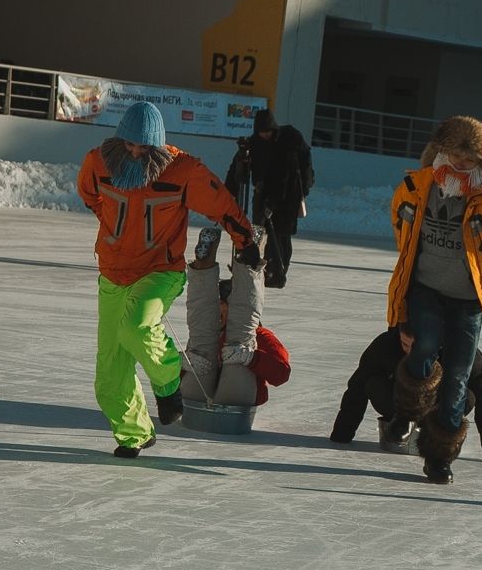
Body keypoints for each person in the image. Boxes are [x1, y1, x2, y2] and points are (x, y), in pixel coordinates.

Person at [76, 100, 258, 458]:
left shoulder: (181, 170)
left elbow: (221, 204)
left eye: (143, 147)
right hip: (113, 274)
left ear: (156, 144)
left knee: (138, 327)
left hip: (160, 272)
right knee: (109, 379)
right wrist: (112, 229)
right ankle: (135, 434)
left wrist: (246, 240)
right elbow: (89, 195)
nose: (134, 151)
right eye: (129, 143)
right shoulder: (99, 161)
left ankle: (169, 382)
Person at [382, 115, 482, 484]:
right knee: (424, 347)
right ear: (443, 151)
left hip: (467, 301)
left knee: (459, 377)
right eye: (456, 156)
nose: (462, 166)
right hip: (426, 290)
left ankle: (439, 457)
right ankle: (404, 411)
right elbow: (400, 223)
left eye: (471, 160)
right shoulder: (417, 184)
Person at [328, 325, 482, 461]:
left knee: (468, 395)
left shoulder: (462, 351)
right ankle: (402, 424)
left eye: (417, 346)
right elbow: (357, 387)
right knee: (373, 383)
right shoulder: (385, 344)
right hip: (397, 407)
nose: (410, 352)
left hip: (442, 408)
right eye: (405, 344)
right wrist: (341, 435)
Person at [180, 225, 291, 407]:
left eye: (223, 307)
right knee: (229, 339)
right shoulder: (250, 334)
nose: (217, 313)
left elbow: (281, 372)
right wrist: (182, 363)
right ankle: (248, 258)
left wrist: (251, 358)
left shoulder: (261, 336)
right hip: (228, 401)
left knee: (209, 340)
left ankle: (207, 265)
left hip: (200, 402)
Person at [225, 108, 314, 288]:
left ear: (273, 129)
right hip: (263, 194)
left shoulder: (287, 142)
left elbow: (287, 177)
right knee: (259, 231)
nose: (265, 135)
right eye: (261, 132)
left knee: (281, 234)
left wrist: (301, 191)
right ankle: (261, 268)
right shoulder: (255, 143)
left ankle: (278, 271)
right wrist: (229, 193)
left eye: (267, 131)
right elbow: (236, 169)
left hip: (288, 196)